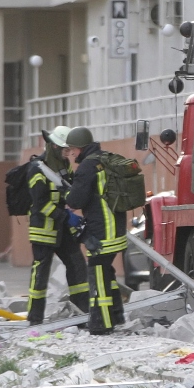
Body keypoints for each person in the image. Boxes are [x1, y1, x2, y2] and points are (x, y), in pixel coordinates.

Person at [62, 127, 126, 335]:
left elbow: (76, 200)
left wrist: (67, 193)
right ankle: (117, 314)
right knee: (107, 272)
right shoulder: (104, 160)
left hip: (102, 232)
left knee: (97, 273)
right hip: (117, 229)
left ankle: (102, 324)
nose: (71, 154)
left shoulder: (87, 167)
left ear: (80, 148)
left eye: (72, 149)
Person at [26, 126, 89, 325]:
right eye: (64, 149)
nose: (67, 153)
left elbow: (68, 191)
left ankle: (82, 313)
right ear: (53, 146)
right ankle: (34, 319)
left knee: (77, 265)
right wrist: (66, 217)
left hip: (62, 229)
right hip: (43, 230)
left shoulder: (64, 166)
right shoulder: (37, 169)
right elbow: (41, 204)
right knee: (41, 273)